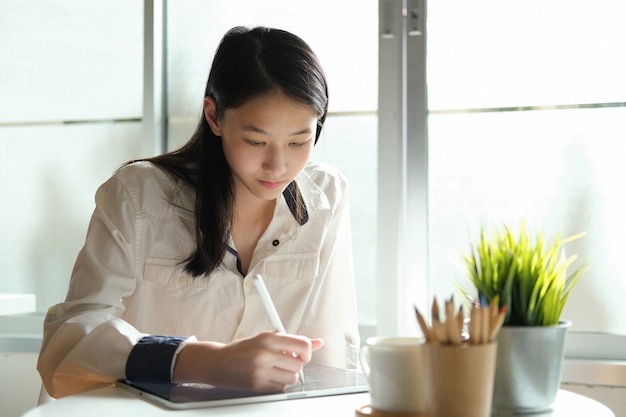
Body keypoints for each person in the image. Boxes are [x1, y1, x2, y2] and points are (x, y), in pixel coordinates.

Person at [37, 26, 359, 399]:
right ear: (214, 116)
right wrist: (196, 359)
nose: (278, 165)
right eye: (256, 141)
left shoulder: (325, 197)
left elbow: (331, 348)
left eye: (299, 141)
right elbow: (69, 342)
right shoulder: (139, 195)